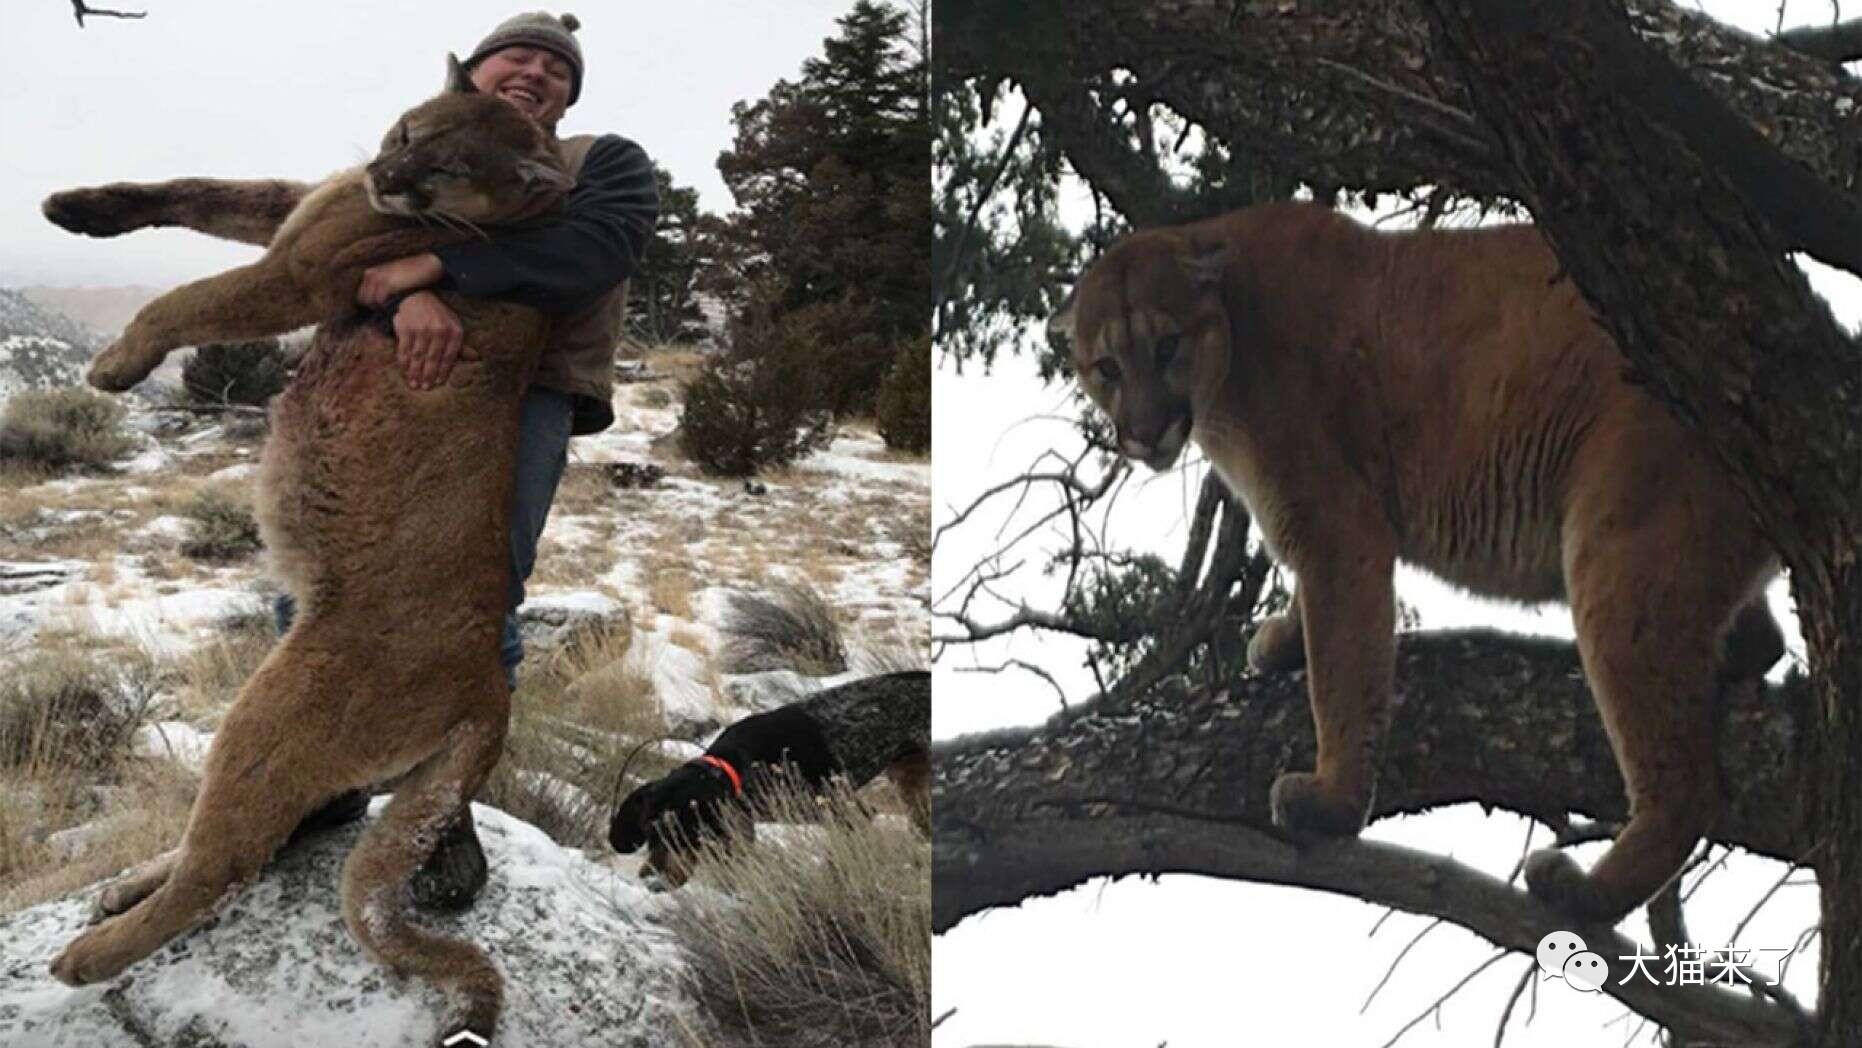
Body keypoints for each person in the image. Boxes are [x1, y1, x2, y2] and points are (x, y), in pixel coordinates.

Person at [284, 11, 659, 910]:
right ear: (472, 73)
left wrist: (433, 271)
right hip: (377, 379)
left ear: (569, 94)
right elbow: (333, 251)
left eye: (554, 68)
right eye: (514, 57)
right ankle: (307, 787)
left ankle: (434, 818)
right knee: (322, 582)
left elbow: (591, 253)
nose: (533, 72)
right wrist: (402, 301)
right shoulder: (414, 147)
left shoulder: (600, 161)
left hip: (519, 397)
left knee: (474, 598)